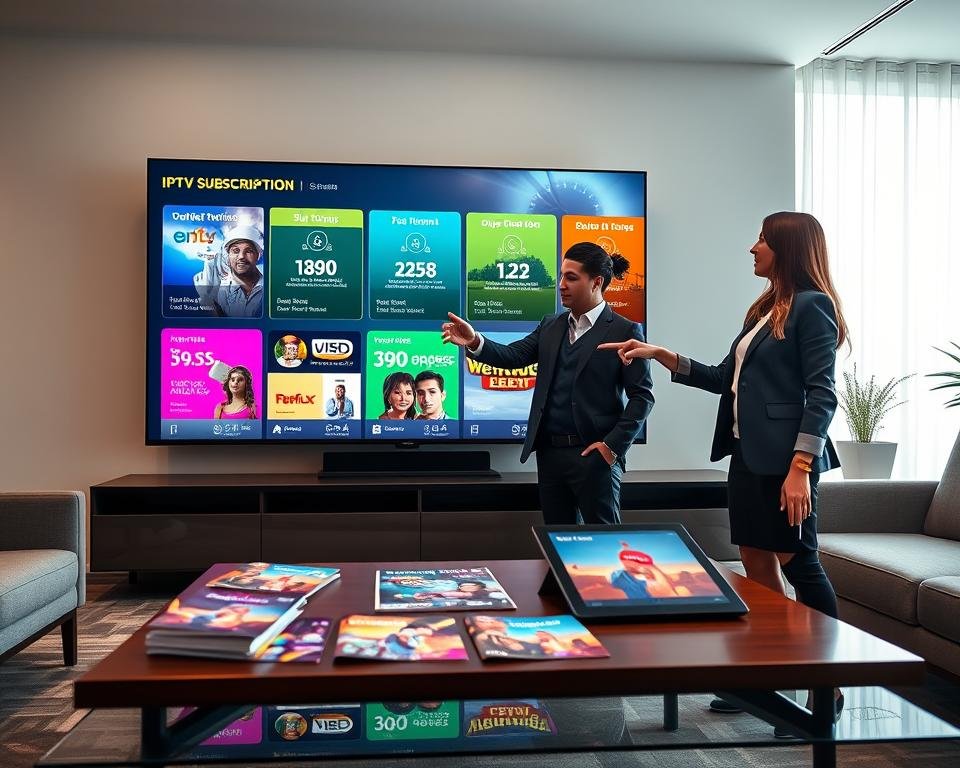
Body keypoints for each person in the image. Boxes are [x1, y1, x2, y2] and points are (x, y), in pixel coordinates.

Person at [599, 211, 847, 729]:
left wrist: (801, 466)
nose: (752, 248)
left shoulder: (812, 306)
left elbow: (822, 393)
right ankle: (766, 676)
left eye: (761, 240)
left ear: (788, 248)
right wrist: (661, 354)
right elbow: (721, 377)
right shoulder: (765, 309)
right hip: (747, 457)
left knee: (799, 563)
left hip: (787, 465)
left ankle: (829, 684)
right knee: (757, 566)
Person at [442, 242, 654, 525]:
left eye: (571, 277)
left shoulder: (625, 330)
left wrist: (611, 447)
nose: (561, 285)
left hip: (595, 458)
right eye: (561, 276)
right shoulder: (551, 325)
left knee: (603, 547)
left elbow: (642, 397)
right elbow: (513, 356)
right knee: (558, 543)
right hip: (550, 456)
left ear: (597, 282)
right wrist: (475, 341)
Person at [194, 224, 264, 318]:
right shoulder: (221, 290)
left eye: (248, 251)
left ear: (258, 255)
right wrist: (208, 301)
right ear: (228, 255)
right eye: (235, 251)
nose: (241, 257)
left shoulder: (270, 286)